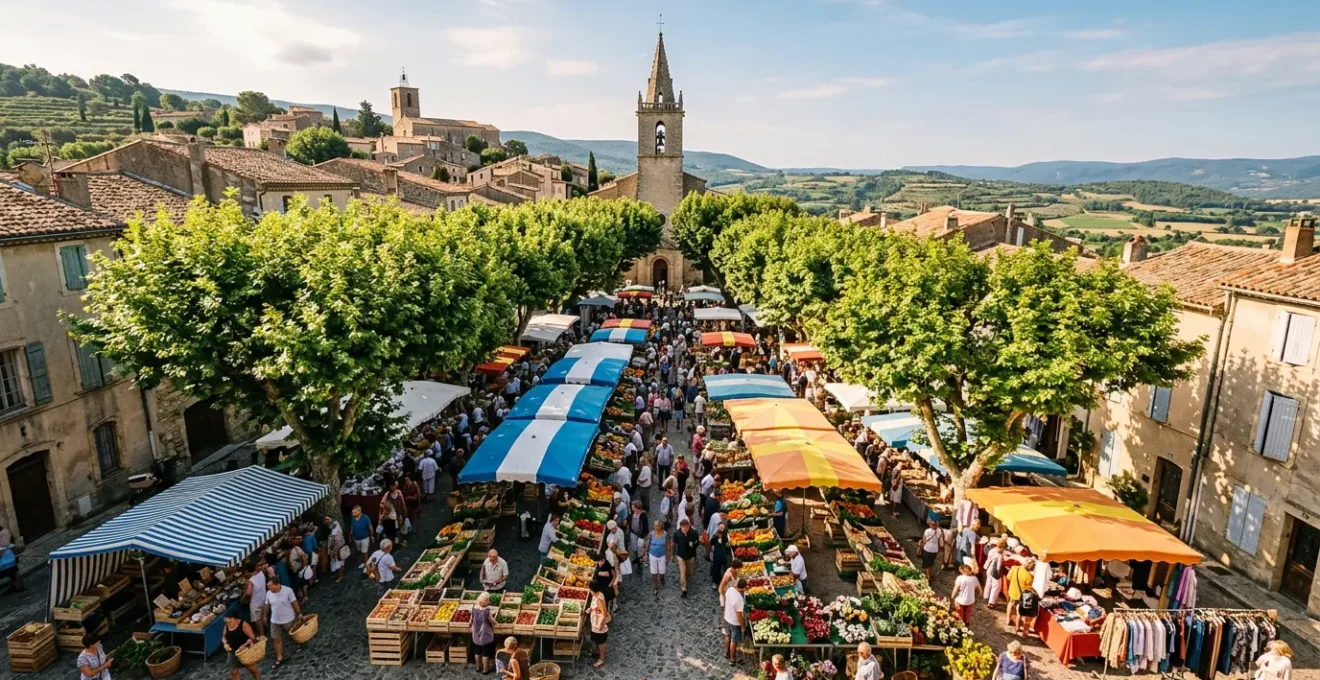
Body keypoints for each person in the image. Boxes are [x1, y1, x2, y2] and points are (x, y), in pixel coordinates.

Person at [262, 578, 305, 668]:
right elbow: (267, 604)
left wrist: (299, 613)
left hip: (288, 618)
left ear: (277, 584)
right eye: (268, 586)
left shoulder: (288, 591)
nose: (269, 588)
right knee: (276, 639)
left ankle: (299, 642)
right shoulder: (269, 593)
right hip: (275, 620)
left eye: (271, 586)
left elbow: (294, 602)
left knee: (293, 634)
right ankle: (279, 658)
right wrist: (265, 616)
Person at [222, 609, 260, 680]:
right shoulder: (226, 626)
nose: (228, 624)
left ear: (235, 619)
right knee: (233, 671)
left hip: (245, 651)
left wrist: (245, 645)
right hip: (233, 651)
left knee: (251, 668)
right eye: (226, 622)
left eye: (229, 622)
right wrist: (225, 644)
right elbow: (224, 637)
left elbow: (252, 638)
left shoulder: (244, 625)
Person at [1005, 557, 1036, 628]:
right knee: (1019, 611)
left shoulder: (1014, 568)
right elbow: (1029, 589)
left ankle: (1008, 620)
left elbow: (1008, 577)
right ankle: (1017, 626)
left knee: (1010, 604)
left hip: (1012, 591)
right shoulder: (1030, 577)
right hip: (1021, 596)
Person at [673, 517, 700, 598]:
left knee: (690, 572)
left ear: (689, 526)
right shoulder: (676, 534)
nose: (685, 528)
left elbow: (697, 543)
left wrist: (694, 545)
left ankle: (686, 576)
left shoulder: (694, 533)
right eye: (683, 527)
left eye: (686, 527)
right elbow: (674, 544)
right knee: (682, 573)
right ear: (680, 527)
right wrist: (673, 555)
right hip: (681, 556)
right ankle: (684, 589)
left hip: (691, 556)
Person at [472, 592, 497, 675]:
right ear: (484, 602)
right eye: (487, 600)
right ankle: (485, 669)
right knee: (485, 653)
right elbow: (491, 621)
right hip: (485, 635)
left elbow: (472, 619)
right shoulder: (487, 611)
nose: (489, 602)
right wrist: (496, 623)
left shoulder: (474, 607)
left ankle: (478, 667)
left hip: (476, 633)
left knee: (477, 651)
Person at [723, 577, 747, 665]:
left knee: (728, 635)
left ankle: (726, 653)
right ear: (743, 588)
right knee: (734, 640)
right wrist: (743, 626)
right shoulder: (739, 599)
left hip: (727, 617)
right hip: (734, 622)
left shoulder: (730, 590)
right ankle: (733, 659)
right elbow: (739, 616)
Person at [589, 582, 611, 669]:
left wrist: (601, 625)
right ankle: (597, 652)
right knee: (597, 640)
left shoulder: (599, 599)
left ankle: (601, 659)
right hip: (595, 623)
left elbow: (604, 613)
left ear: (593, 590)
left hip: (599, 625)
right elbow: (594, 607)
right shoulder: (597, 595)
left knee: (601, 642)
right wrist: (590, 609)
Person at [243, 560, 268, 638]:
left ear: (247, 571)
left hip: (256, 602)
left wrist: (244, 598)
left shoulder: (251, 581)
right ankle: (267, 626)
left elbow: (248, 593)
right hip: (264, 597)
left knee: (258, 619)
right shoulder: (261, 573)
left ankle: (262, 634)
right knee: (264, 613)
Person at [647, 520, 670, 599]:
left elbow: (667, 545)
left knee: (662, 571)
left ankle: (662, 577)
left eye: (657, 527)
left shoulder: (665, 534)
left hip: (662, 555)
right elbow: (648, 543)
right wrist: (645, 554)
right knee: (654, 572)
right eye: (655, 526)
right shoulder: (651, 534)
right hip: (652, 554)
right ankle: (655, 587)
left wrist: (668, 555)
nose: (656, 528)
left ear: (661, 527)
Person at [983, 538, 1006, 607]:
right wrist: (999, 572)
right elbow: (998, 565)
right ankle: (991, 602)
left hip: (989, 568)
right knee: (996, 586)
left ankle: (986, 597)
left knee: (988, 583)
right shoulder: (1000, 553)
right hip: (995, 570)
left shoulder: (992, 550)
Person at [350, 505, 374, 571]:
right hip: (356, 538)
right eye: (353, 512)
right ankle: (364, 561)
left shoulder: (365, 518)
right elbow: (352, 526)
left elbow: (370, 527)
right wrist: (351, 534)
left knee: (364, 551)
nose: (353, 514)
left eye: (354, 512)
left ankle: (366, 565)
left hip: (365, 538)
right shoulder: (353, 518)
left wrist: (372, 536)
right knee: (360, 550)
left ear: (359, 512)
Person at [0, 524, 22, 592]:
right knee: (15, 571)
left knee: (11, 572)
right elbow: (13, 546)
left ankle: (16, 585)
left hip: (4, 563)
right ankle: (18, 586)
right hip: (11, 560)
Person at [325, 519, 347, 583]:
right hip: (334, 549)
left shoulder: (337, 534)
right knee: (337, 562)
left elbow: (338, 543)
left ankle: (340, 576)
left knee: (338, 562)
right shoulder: (333, 531)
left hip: (337, 549)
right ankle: (338, 574)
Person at [710, 522, 730, 588]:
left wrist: (727, 544)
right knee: (716, 570)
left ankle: (726, 582)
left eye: (722, 528)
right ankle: (715, 582)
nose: (721, 528)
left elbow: (727, 543)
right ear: (718, 527)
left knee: (725, 569)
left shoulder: (726, 535)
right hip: (717, 555)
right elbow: (711, 543)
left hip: (724, 555)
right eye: (720, 527)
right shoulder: (715, 536)